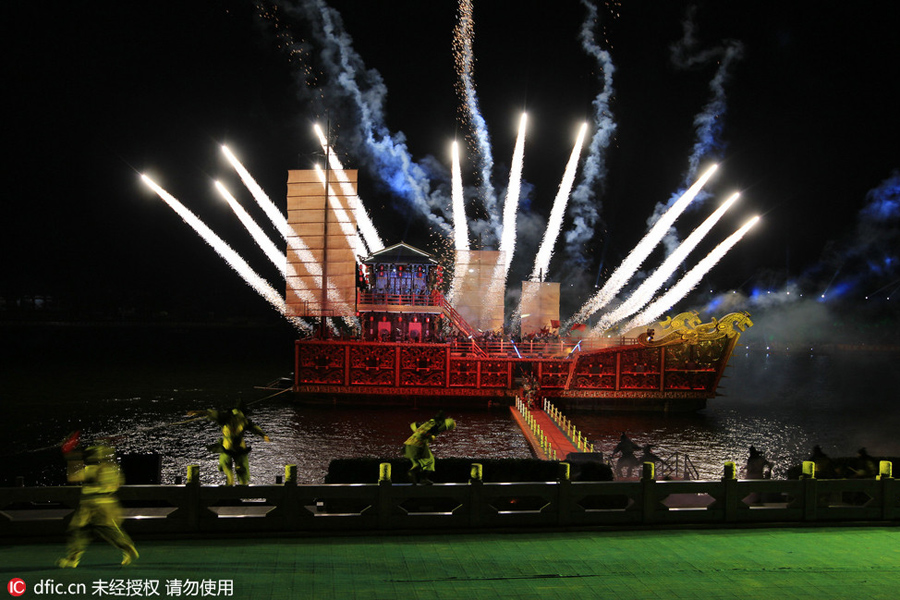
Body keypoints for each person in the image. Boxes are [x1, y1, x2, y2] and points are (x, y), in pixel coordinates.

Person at [56, 444, 139, 568]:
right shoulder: (113, 469)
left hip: (92, 504)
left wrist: (72, 457)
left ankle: (73, 559)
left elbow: (74, 476)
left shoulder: (93, 469)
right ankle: (126, 547)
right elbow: (119, 483)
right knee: (106, 529)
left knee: (80, 530)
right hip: (108, 503)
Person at [188, 403, 270, 486]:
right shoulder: (227, 418)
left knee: (240, 469)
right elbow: (212, 413)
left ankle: (242, 484)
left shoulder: (243, 420)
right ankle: (231, 482)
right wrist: (198, 412)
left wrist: (263, 435)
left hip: (239, 449)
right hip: (228, 448)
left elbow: (254, 428)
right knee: (227, 467)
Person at [403, 410, 456, 484]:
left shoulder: (429, 423)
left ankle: (412, 474)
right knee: (430, 462)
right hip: (418, 445)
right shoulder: (437, 426)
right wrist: (431, 437)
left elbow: (413, 425)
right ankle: (423, 479)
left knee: (418, 464)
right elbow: (428, 434)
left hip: (408, 444)